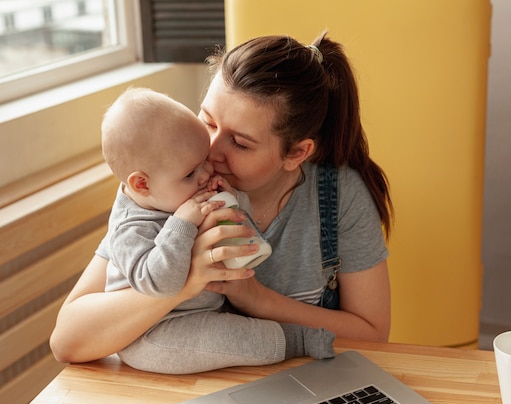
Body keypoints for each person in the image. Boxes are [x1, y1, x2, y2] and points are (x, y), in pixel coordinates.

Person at [50, 30, 394, 373]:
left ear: (297, 153)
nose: (210, 152)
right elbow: (67, 341)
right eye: (208, 121)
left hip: (302, 387)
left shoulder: (338, 197)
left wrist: (257, 298)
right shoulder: (165, 187)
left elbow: (372, 334)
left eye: (240, 143)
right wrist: (186, 282)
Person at [97, 87, 335, 373]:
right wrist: (182, 223)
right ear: (142, 185)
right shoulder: (130, 227)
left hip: (207, 311)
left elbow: (238, 225)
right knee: (241, 340)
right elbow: (161, 284)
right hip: (155, 333)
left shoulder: (168, 188)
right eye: (190, 174)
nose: (207, 174)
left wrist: (231, 197)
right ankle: (298, 341)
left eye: (203, 163)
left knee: (239, 333)